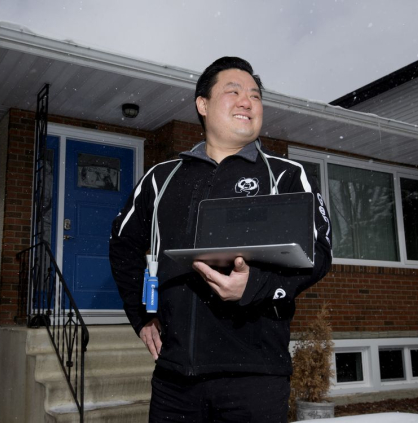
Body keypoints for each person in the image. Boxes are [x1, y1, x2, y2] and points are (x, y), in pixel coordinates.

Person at [109, 57, 332, 423]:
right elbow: (123, 244)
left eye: (256, 96)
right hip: (174, 380)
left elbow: (320, 254)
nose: (248, 101)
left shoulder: (288, 176)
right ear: (203, 104)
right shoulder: (160, 179)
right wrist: (142, 317)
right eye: (234, 91)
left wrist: (255, 287)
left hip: (255, 379)